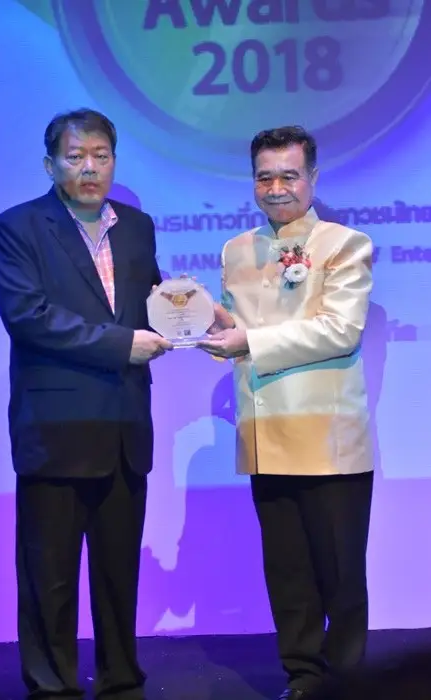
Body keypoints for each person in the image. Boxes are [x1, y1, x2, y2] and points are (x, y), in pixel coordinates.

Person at [0, 108, 172, 700]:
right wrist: (123, 345)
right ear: (51, 165)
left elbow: (152, 302)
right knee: (50, 577)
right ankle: (53, 686)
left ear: (114, 161)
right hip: (56, 429)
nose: (90, 167)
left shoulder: (137, 227)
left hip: (124, 427)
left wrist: (194, 317)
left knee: (119, 574)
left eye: (101, 155)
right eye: (75, 157)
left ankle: (122, 679)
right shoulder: (16, 227)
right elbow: (30, 318)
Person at [198, 126, 374, 699]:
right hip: (264, 431)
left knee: (340, 572)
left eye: (289, 175)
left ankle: (346, 680)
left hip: (328, 438)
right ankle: (302, 674)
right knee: (288, 569)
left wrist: (248, 340)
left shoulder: (345, 244)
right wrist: (207, 329)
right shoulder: (236, 249)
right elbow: (236, 327)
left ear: (313, 178)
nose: (276, 188)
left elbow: (340, 331)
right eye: (264, 177)